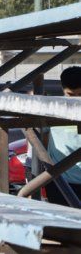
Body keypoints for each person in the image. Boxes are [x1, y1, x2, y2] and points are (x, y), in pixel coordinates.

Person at [46, 66, 81, 206]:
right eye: (71, 95)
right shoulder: (52, 109)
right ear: (63, 89)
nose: (77, 100)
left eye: (80, 94)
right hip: (61, 184)